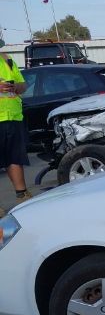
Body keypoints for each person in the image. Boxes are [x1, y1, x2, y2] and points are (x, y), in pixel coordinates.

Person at [0, 39, 32, 217]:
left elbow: (23, 86)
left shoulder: (6, 59)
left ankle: (22, 195)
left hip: (13, 117)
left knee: (15, 158)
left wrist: (15, 86)